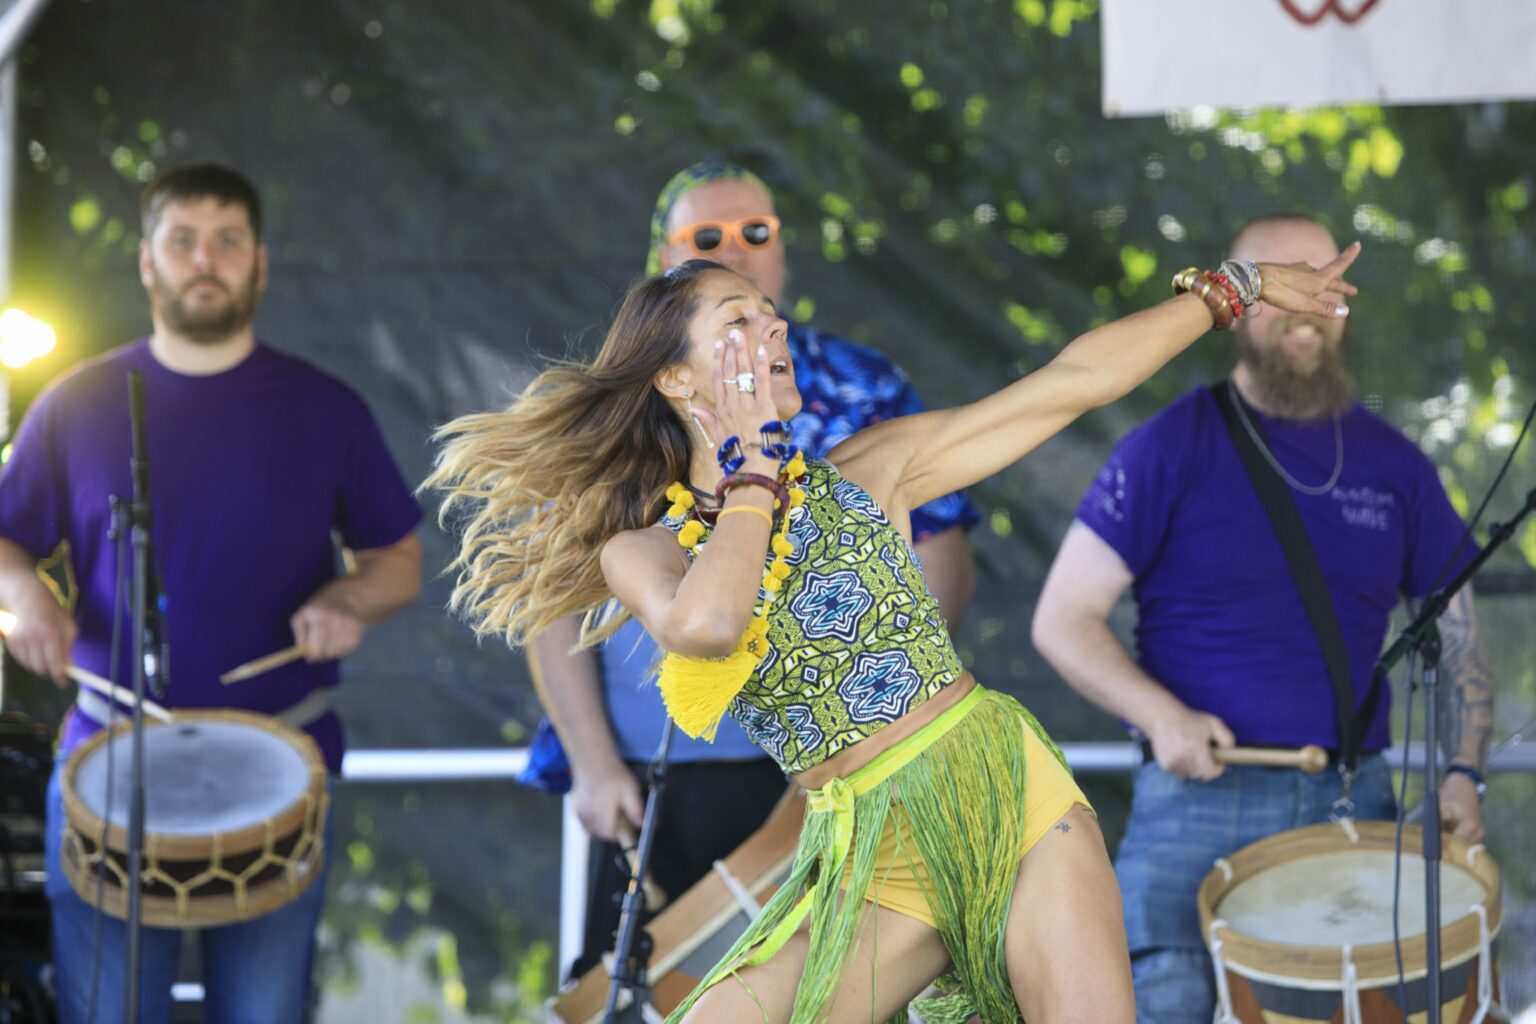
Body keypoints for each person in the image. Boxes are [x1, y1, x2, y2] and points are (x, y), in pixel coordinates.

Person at [429, 240, 1359, 1021]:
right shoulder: (644, 549)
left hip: (998, 787)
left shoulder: (868, 469)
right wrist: (753, 470)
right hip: (864, 845)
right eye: (738, 323)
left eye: (770, 313)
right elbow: (709, 626)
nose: (774, 329)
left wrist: (1231, 289)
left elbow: (1067, 384)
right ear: (674, 375)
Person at [1031, 214, 1492, 1024]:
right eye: (1281, 284)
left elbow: (1459, 641)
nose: (1306, 304)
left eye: (1325, 283)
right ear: (1234, 305)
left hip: (1353, 802)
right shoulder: (1166, 447)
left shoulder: (1395, 464)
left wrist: (1463, 770)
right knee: (1160, 1004)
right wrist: (1160, 716)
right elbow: (1063, 619)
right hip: (1191, 800)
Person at [527, 160, 979, 979]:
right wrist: (590, 760)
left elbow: (939, 548)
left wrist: (887, 709)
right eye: (709, 238)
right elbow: (553, 597)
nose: (737, 248)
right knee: (638, 988)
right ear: (665, 260)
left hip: (833, 768)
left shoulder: (859, 383)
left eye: (756, 234)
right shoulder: (635, 399)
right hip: (652, 771)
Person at [0, 163, 423, 1023]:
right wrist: (27, 596)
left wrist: (348, 601)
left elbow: (397, 559)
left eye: (228, 241)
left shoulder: (323, 408)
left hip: (280, 758)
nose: (206, 260)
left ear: (260, 264)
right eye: (183, 240)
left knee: (262, 1015)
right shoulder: (75, 402)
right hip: (107, 757)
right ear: (148, 264)